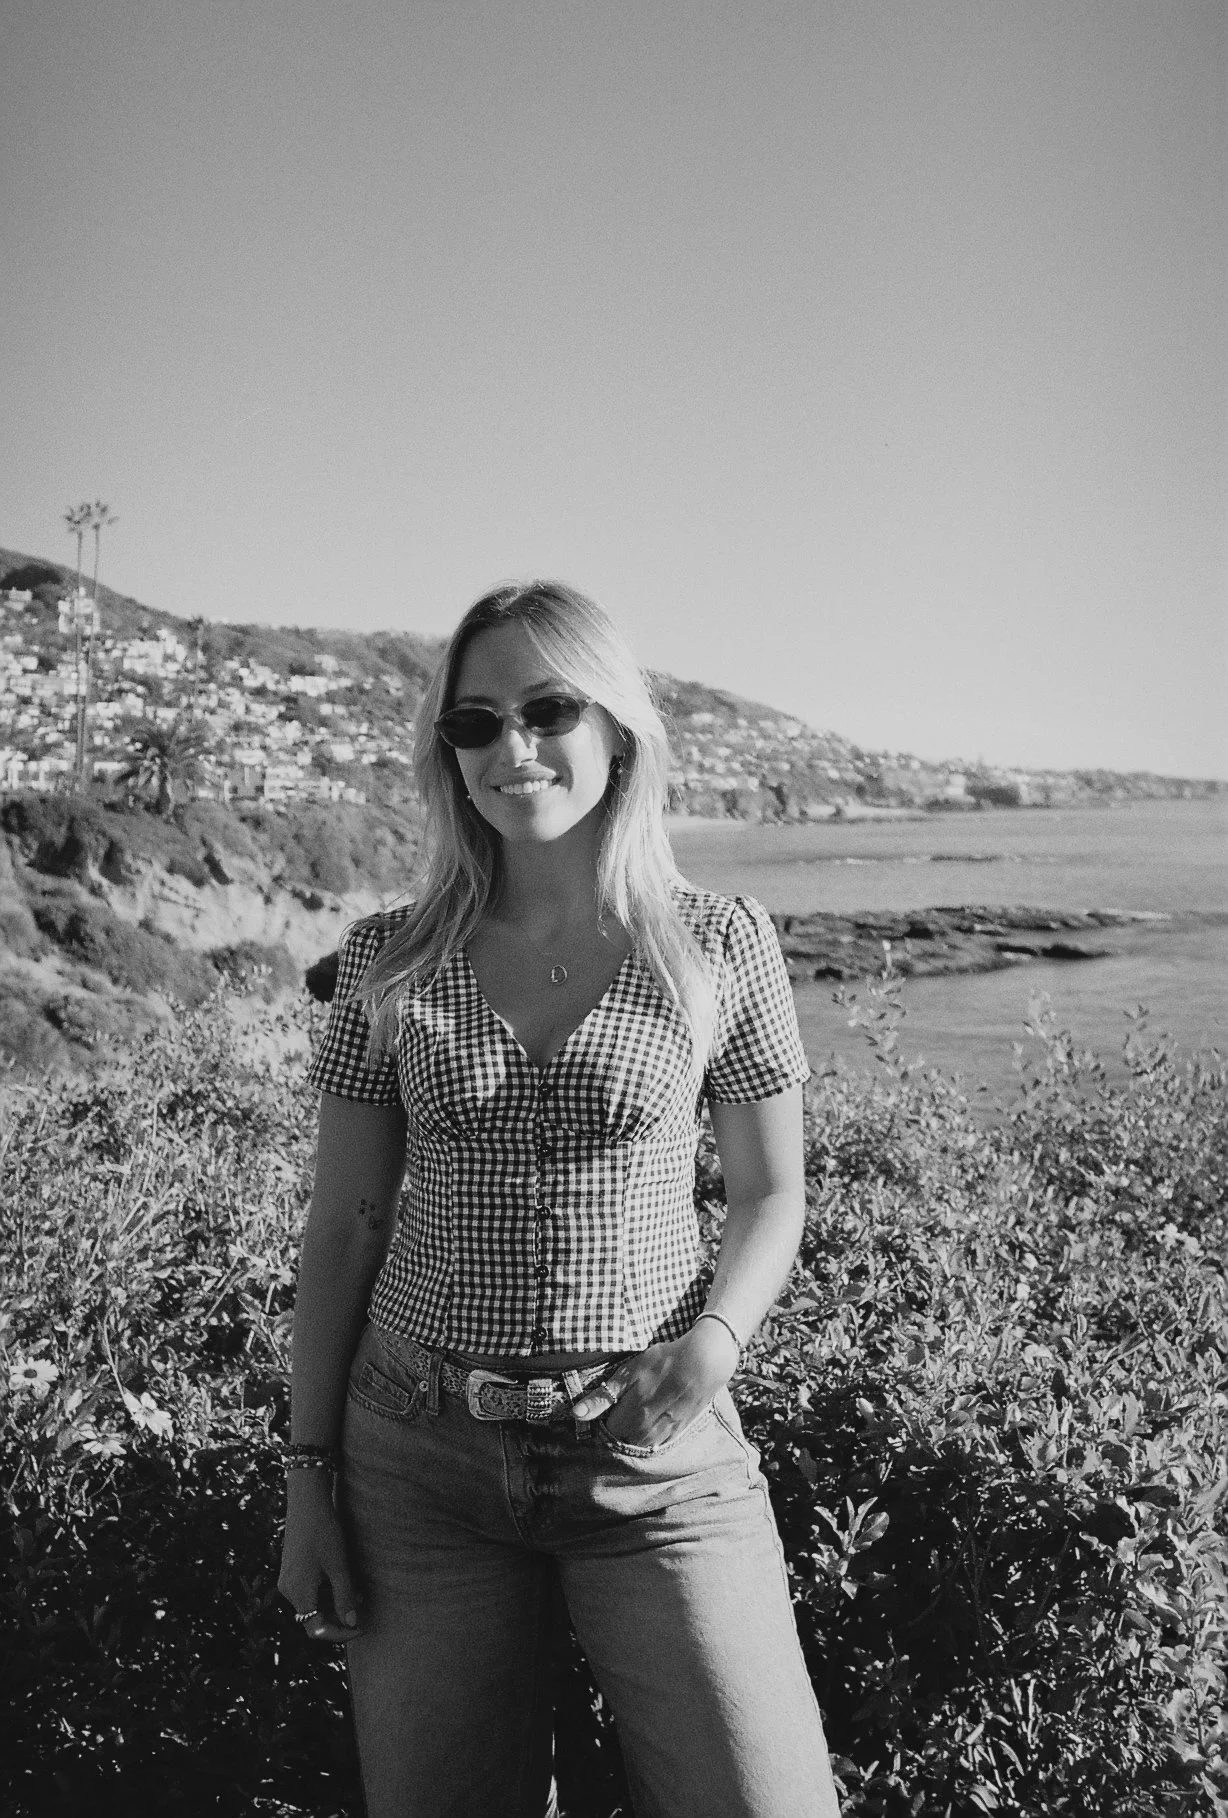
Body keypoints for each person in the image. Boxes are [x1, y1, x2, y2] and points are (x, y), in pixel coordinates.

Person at [278, 580, 842, 1818]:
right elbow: (347, 1225)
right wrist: (308, 1474)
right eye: (473, 724)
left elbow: (770, 1193)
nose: (510, 747)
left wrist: (714, 1345)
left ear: (618, 733)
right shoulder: (388, 955)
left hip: (655, 1462)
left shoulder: (718, 943)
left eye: (547, 709)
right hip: (415, 1459)